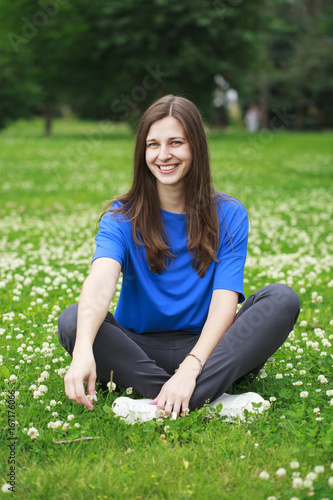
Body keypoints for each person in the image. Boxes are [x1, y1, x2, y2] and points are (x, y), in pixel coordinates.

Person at [58, 95, 300, 424]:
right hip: (139, 350)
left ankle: (160, 403)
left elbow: (225, 301)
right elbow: (101, 280)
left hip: (211, 350)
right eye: (153, 144)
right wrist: (84, 347)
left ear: (195, 147)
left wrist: (192, 366)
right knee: (74, 322)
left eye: (176, 142)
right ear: (142, 153)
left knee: (281, 299)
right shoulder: (120, 216)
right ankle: (211, 400)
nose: (163, 155)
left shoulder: (229, 214)